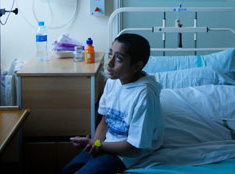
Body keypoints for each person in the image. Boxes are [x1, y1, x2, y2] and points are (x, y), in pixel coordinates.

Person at [61, 33, 164, 174]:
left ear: (136, 66)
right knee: (66, 171)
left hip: (126, 155)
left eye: (119, 58)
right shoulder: (112, 82)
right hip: (106, 144)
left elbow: (134, 147)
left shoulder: (144, 96)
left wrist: (98, 145)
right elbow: (105, 120)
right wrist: (94, 145)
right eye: (110, 54)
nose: (109, 63)